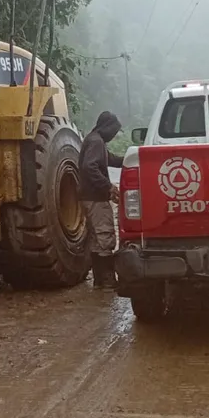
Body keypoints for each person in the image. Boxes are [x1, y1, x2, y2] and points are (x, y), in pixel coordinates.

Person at [78, 110, 124, 289]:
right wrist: (108, 187)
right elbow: (90, 167)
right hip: (95, 198)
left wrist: (129, 158)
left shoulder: (94, 140)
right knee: (105, 237)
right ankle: (108, 281)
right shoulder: (97, 142)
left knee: (97, 239)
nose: (113, 135)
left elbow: (109, 159)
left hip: (88, 197)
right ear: (107, 127)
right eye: (113, 130)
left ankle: (99, 281)